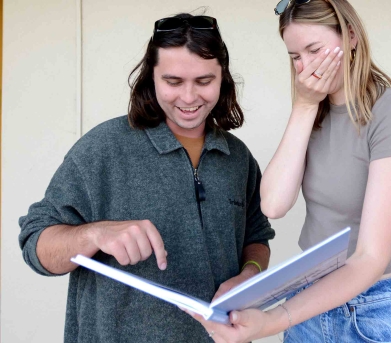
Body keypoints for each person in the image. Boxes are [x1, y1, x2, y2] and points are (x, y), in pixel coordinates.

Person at [18, 13, 275, 343]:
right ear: (150, 78)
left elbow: (256, 238)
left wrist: (249, 275)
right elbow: (35, 246)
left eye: (204, 81)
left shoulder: (237, 157)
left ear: (222, 78)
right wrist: (94, 234)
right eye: (173, 82)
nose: (188, 97)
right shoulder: (103, 147)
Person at [188, 1, 391, 342]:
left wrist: (272, 322)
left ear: (351, 36)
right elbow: (273, 205)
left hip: (369, 312)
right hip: (308, 306)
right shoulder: (313, 115)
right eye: (294, 57)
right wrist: (303, 104)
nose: (305, 67)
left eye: (314, 50)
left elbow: (370, 258)